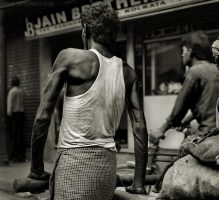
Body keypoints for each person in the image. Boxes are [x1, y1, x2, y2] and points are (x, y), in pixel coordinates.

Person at [27, 2, 148, 200]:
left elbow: (42, 117)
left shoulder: (70, 58)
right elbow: (140, 127)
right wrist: (139, 183)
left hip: (73, 167)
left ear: (86, 31)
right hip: (107, 170)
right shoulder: (128, 73)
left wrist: (36, 169)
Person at [150, 30, 219, 143]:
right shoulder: (217, 69)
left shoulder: (193, 72)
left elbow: (179, 109)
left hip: (208, 132)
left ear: (190, 51)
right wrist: (185, 121)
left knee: (182, 153)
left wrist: (161, 130)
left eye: (183, 50)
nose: (182, 54)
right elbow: (209, 105)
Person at [7, 76, 25, 162]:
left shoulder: (12, 91)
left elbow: (10, 105)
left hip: (14, 115)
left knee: (14, 136)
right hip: (21, 114)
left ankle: (14, 156)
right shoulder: (21, 91)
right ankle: (21, 156)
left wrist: (8, 116)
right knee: (20, 136)